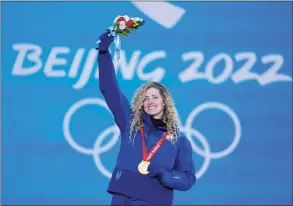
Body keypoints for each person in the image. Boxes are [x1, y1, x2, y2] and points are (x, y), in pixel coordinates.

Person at [97, 30, 196, 205]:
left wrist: (163, 174)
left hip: (152, 200)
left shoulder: (179, 141)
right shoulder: (131, 125)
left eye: (155, 97)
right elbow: (109, 88)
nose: (150, 101)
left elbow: (187, 179)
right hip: (121, 196)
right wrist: (104, 52)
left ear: (165, 102)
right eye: (145, 98)